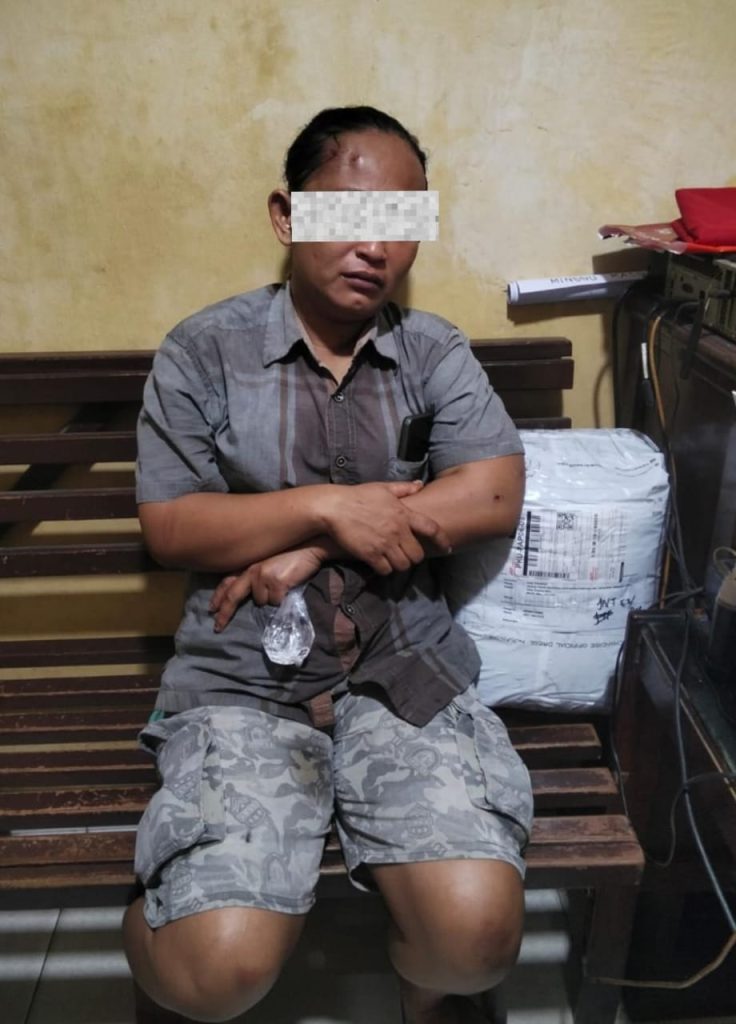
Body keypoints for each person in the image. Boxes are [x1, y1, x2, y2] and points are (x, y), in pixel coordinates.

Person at [124, 105, 533, 1024]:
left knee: (475, 938)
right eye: (348, 214)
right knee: (214, 972)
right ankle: (156, 927)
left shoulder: (430, 351)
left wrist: (318, 542)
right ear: (287, 215)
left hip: (404, 673)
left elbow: (493, 491)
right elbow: (173, 526)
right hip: (245, 683)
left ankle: (424, 984)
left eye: (400, 222)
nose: (373, 247)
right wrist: (322, 505)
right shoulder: (205, 351)